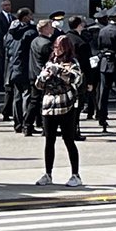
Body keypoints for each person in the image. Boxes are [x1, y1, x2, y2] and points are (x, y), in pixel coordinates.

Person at [33, 35, 85, 187]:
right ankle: (48, 173)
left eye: (59, 47)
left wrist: (61, 71)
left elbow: (76, 79)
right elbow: (38, 85)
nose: (56, 50)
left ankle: (75, 175)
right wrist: (44, 76)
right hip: (49, 105)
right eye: (55, 47)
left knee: (69, 140)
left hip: (66, 105)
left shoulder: (72, 62)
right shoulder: (50, 62)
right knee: (49, 140)